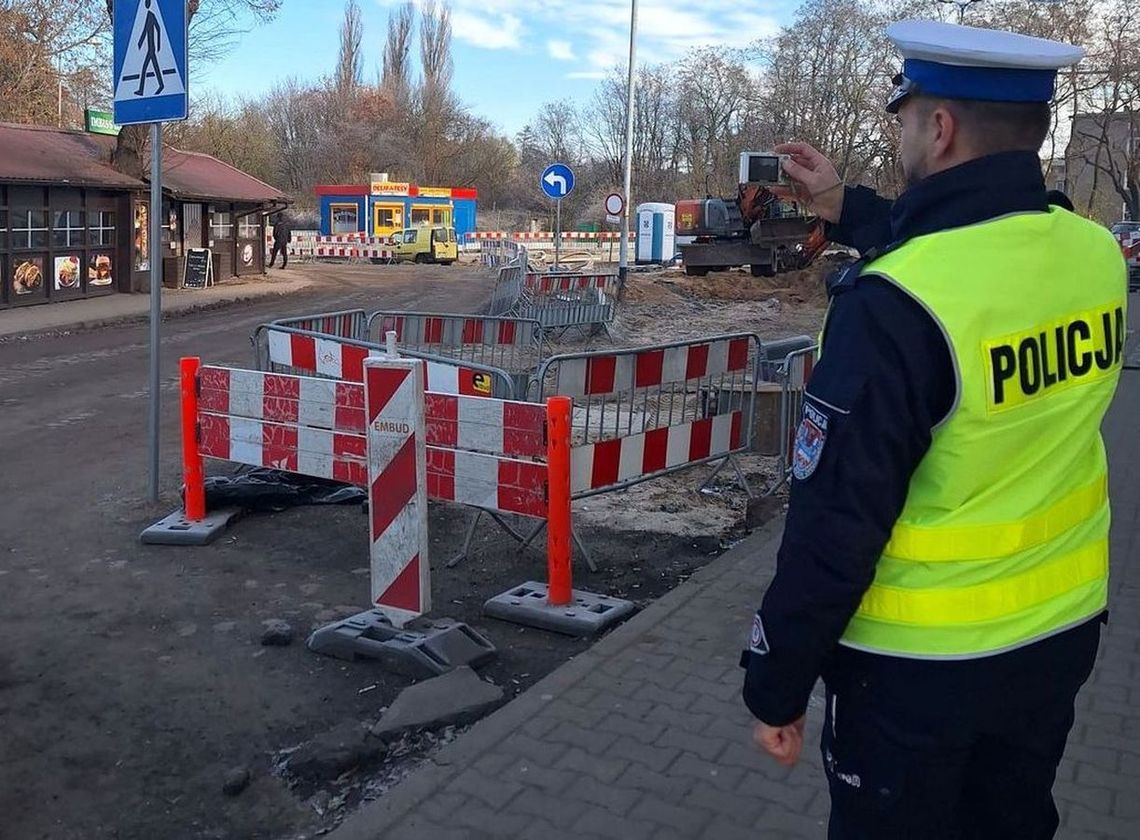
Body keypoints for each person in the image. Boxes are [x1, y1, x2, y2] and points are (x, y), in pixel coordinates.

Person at [739, 19, 1128, 839]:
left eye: (906, 118)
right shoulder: (1093, 254)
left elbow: (834, 528)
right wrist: (841, 203)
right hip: (1055, 640)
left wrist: (775, 682)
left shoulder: (892, 305)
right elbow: (974, 240)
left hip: (916, 676)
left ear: (939, 127)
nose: (903, 132)